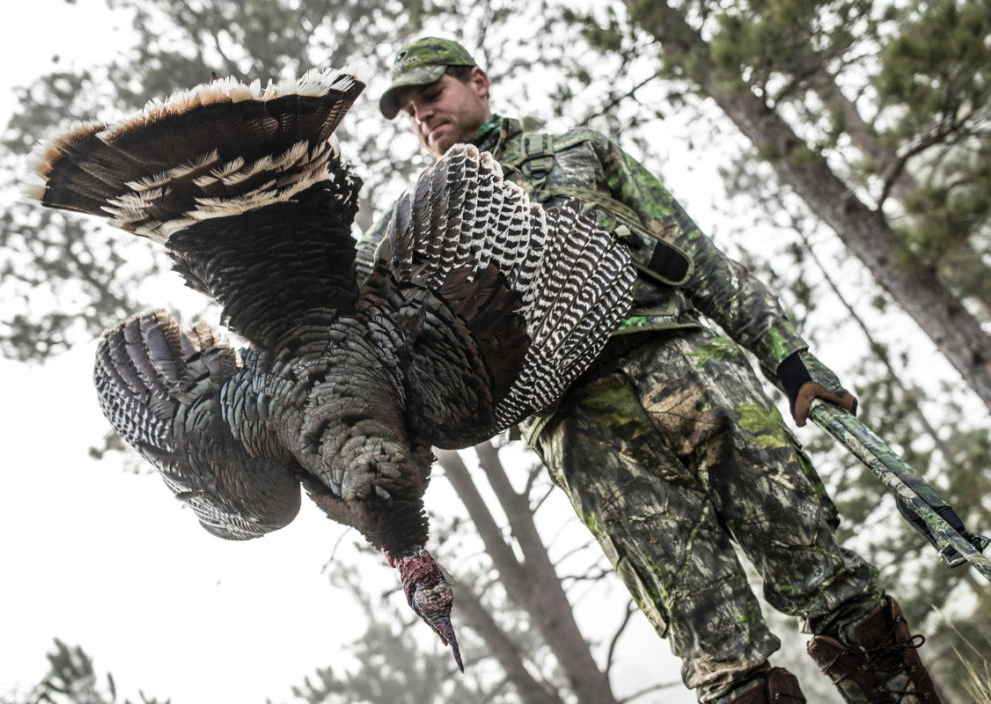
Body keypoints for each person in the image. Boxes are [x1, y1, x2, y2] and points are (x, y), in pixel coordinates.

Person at [360, 36, 942, 704]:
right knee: (719, 649)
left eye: (430, 94)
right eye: (408, 110)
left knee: (826, 577)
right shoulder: (405, 236)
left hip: (686, 365)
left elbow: (695, 254)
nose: (420, 115)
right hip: (579, 428)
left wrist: (786, 357)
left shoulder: (578, 152)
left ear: (478, 82)